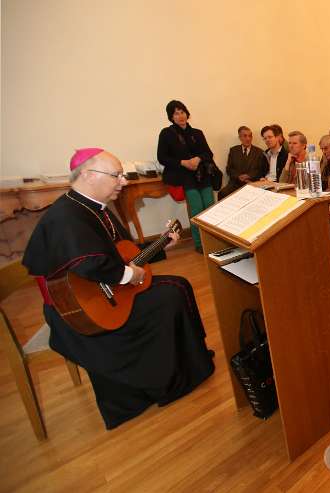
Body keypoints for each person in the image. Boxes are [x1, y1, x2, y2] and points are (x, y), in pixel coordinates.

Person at [22, 148, 214, 430]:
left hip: (105, 291)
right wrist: (126, 276)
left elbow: (124, 255)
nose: (122, 182)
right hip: (81, 312)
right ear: (88, 175)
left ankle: (188, 364)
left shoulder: (94, 206)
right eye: (116, 176)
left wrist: (160, 246)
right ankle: (164, 380)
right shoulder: (67, 215)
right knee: (170, 294)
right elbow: (89, 264)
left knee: (177, 285)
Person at [157, 100, 215, 253]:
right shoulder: (166, 134)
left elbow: (208, 153)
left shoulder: (197, 133)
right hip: (185, 178)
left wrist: (198, 159)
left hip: (203, 175)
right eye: (176, 113)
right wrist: (183, 162)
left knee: (210, 208)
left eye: (182, 112)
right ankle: (200, 244)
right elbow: (162, 157)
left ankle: (213, 241)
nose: (180, 116)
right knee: (196, 211)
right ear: (171, 117)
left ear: (187, 113)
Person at [218, 126, 268, 199]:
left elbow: (261, 170)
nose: (248, 138)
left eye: (250, 136)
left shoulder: (259, 152)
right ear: (240, 137)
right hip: (235, 183)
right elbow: (229, 169)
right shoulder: (233, 150)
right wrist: (238, 176)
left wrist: (249, 176)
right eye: (245, 136)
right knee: (222, 193)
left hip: (252, 183)